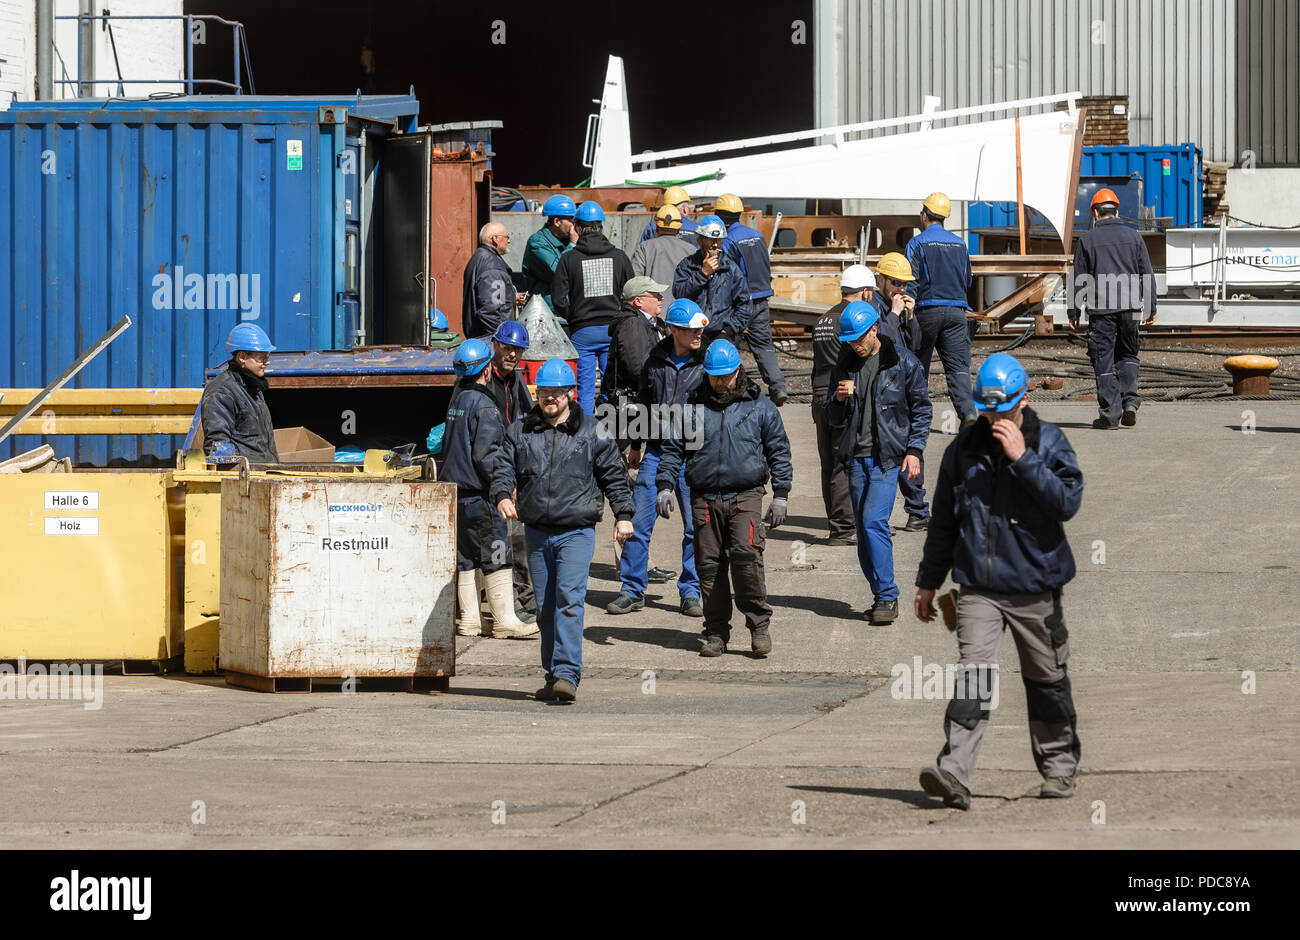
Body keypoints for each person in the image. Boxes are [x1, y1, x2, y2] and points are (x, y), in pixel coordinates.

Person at [914, 353, 1084, 810]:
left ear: (1024, 399)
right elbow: (943, 522)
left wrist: (1022, 459)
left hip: (1035, 586)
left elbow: (1067, 501)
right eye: (988, 411)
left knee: (1046, 679)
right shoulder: (963, 449)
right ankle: (954, 774)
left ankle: (1059, 768)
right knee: (974, 677)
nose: (995, 419)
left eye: (1004, 410)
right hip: (979, 589)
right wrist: (928, 582)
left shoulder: (1049, 442)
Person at [492, 359, 635, 704]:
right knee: (545, 607)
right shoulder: (521, 430)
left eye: (556, 393)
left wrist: (624, 515)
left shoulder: (593, 432)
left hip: (576, 531)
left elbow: (614, 476)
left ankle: (568, 674)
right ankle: (553, 674)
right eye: (544, 392)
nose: (550, 399)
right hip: (537, 532)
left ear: (570, 393)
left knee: (569, 602)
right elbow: (502, 465)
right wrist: (501, 494)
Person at [655, 339, 792, 658]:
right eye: (714, 376)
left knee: (746, 558)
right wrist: (664, 485)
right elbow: (674, 448)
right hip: (703, 497)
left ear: (737, 371)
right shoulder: (693, 406)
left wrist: (781, 494)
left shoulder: (759, 406)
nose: (719, 382)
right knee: (710, 566)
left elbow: (779, 450)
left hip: (745, 495)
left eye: (725, 376)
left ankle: (758, 625)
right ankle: (716, 632)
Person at [825, 302, 931, 625]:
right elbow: (833, 417)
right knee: (862, 529)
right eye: (850, 341)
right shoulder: (844, 365)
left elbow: (922, 410)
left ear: (874, 330)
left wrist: (913, 451)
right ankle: (879, 593)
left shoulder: (903, 362)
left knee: (873, 522)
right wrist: (839, 401)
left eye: (859, 339)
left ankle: (887, 595)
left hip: (887, 459)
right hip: (856, 458)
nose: (854, 346)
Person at [607, 298, 709, 619]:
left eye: (698, 330)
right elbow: (644, 404)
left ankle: (691, 591)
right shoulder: (655, 361)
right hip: (657, 450)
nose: (697, 335)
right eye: (691, 330)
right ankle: (632, 590)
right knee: (637, 522)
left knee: (696, 527)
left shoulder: (708, 361)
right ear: (675, 330)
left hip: (694, 454)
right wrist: (636, 445)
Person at [441, 339, 538, 641]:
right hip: (481, 495)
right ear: (485, 370)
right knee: (497, 553)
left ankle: (469, 620)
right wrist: (504, 489)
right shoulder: (485, 405)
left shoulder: (458, 400)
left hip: (456, 492)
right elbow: (488, 454)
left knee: (467, 558)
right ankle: (504, 620)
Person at [1068, 188, 1156, 430]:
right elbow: (1146, 273)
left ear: (1094, 213)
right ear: (1117, 211)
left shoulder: (1086, 240)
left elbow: (1078, 278)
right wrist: (1150, 306)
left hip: (1101, 310)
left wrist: (1073, 312)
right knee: (1128, 355)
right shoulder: (1135, 236)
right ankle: (1129, 402)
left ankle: (1109, 415)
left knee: (1103, 359)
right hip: (1130, 308)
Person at [811, 265, 875, 546]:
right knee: (843, 462)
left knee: (829, 463)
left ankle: (840, 523)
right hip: (840, 393)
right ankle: (844, 528)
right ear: (864, 291)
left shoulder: (823, 318)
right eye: (870, 293)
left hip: (818, 394)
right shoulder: (851, 320)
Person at [550, 201, 635, 414]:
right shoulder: (619, 257)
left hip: (582, 333)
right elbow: (632, 293)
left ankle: (586, 435)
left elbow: (558, 300)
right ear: (601, 226)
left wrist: (574, 316)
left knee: (584, 389)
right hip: (613, 331)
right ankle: (615, 434)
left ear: (577, 227)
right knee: (615, 386)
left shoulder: (568, 259)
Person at [905, 192, 976, 426]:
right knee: (958, 368)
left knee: (917, 366)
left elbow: (910, 282)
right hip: (957, 313)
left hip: (926, 312)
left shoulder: (916, 243)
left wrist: (907, 314)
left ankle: (916, 419)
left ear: (925, 215)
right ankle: (968, 414)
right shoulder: (960, 244)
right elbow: (968, 281)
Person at [873, 252, 929, 532]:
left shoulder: (899, 306)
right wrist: (895, 314)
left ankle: (918, 511)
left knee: (911, 446)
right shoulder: (872, 305)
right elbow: (883, 341)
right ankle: (878, 513)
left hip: (905, 380)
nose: (901, 289)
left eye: (905, 284)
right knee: (890, 447)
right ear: (880, 279)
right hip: (883, 384)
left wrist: (912, 315)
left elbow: (916, 345)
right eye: (896, 282)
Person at [714, 193, 787, 406]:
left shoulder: (727, 241)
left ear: (719, 216)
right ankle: (778, 387)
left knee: (728, 343)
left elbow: (726, 274)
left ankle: (731, 389)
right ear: (738, 214)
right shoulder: (757, 235)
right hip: (762, 297)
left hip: (739, 301)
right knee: (764, 345)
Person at [487, 319, 538, 623]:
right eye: (507, 347)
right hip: (488, 467)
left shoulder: (515, 380)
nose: (512, 354)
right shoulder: (480, 378)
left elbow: (530, 418)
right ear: (495, 344)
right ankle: (508, 603)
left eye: (517, 350)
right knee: (498, 541)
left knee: (517, 538)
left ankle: (526, 600)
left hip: (509, 464)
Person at [201, 323, 279, 462]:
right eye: (262, 357)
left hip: (264, 474)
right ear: (242, 357)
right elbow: (218, 446)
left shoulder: (252, 388)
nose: (267, 362)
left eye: (267, 356)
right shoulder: (221, 391)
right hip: (246, 478)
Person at [672, 214, 752, 345]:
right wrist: (702, 274)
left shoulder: (730, 268)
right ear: (700, 240)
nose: (715, 245)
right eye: (711, 240)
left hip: (721, 336)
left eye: (719, 240)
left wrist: (729, 330)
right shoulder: (686, 266)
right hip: (691, 335)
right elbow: (679, 294)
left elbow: (744, 304)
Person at [599, 276, 669, 421]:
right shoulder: (632, 324)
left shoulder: (652, 323)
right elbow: (637, 367)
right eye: (655, 295)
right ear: (638, 301)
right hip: (634, 405)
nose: (661, 298)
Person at [463, 221, 528, 340]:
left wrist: (511, 297)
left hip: (479, 337)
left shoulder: (479, 257)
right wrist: (500, 340)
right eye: (507, 237)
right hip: (490, 341)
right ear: (495, 239)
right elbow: (490, 310)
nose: (509, 241)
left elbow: (490, 297)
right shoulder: (492, 266)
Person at [630, 205, 697, 308]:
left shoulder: (644, 248)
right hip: (683, 313)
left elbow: (635, 281)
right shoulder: (691, 250)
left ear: (656, 227)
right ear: (678, 229)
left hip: (652, 312)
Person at [520, 194, 578, 309]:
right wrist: (573, 244)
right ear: (557, 222)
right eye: (571, 220)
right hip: (546, 315)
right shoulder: (537, 243)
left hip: (567, 313)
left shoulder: (566, 241)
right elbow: (559, 271)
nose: (574, 225)